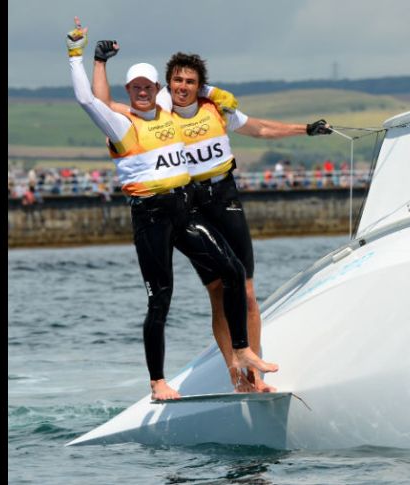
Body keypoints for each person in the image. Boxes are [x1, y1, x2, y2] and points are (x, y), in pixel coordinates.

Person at [92, 45, 332, 391]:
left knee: (246, 290)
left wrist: (306, 129)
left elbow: (260, 129)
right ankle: (234, 372)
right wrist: (98, 62)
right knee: (217, 292)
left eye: (191, 81)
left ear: (200, 85)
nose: (183, 86)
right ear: (167, 84)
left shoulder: (216, 108)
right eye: (177, 80)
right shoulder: (158, 112)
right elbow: (103, 107)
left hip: (225, 195)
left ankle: (255, 375)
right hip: (190, 203)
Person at [65, 17, 277, 400]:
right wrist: (85, 57)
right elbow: (89, 100)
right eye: (136, 88)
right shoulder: (121, 124)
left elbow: (190, 93)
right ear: (129, 91)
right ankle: (158, 383)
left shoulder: (167, 113)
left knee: (233, 271)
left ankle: (243, 351)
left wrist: (216, 92)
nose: (143, 93)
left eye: (149, 87)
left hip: (185, 211)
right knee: (160, 297)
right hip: (151, 218)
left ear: (156, 90)